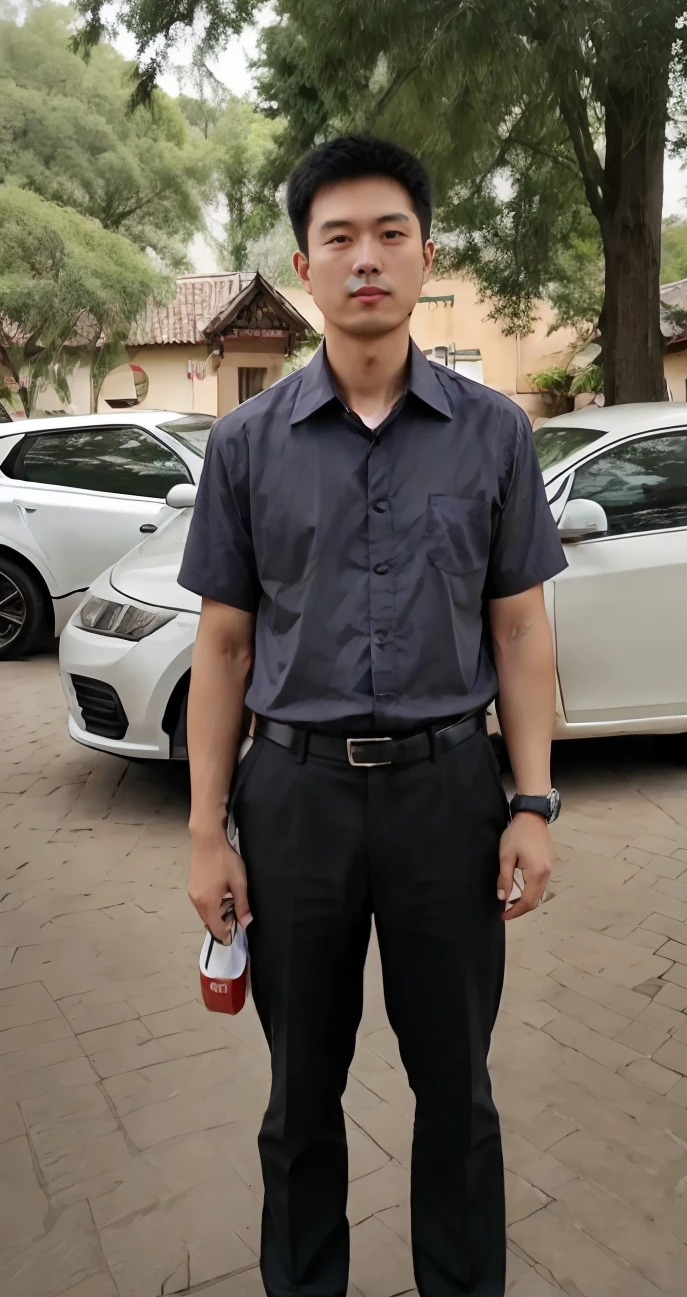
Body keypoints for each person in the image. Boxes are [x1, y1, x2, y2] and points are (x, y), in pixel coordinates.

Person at [180, 135, 567, 1297]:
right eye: (337, 238)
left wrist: (532, 804)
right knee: (299, 1097)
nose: (364, 259)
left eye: (388, 234)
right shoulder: (245, 446)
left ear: (424, 256)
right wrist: (207, 830)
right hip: (291, 799)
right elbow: (224, 643)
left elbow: (517, 629)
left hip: (449, 797)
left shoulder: (493, 433)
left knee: (456, 1089)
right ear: (304, 267)